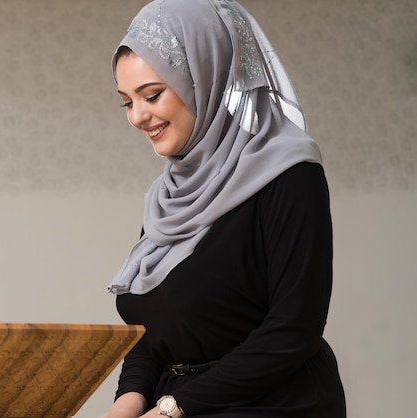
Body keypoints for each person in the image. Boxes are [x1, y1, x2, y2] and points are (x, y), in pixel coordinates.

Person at [103, 0, 346, 417]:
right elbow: (154, 331)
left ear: (205, 78)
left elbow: (293, 330)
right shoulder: (170, 196)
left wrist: (171, 409)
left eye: (152, 95)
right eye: (127, 102)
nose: (138, 117)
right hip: (175, 402)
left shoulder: (290, 175)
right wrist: (127, 404)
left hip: (272, 404)